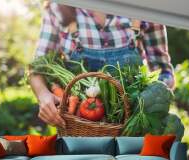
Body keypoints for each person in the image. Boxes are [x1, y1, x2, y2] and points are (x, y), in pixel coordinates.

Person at [30, 2, 174, 128]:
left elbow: (164, 72)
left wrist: (149, 104)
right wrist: (43, 95)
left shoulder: (146, 7)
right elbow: (36, 69)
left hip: (133, 128)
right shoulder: (59, 8)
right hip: (78, 129)